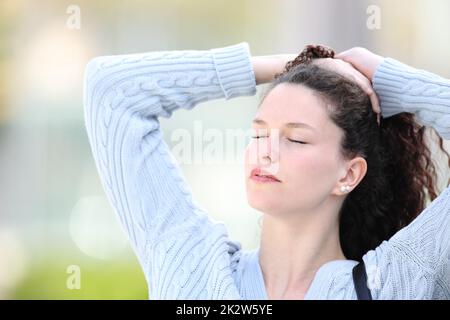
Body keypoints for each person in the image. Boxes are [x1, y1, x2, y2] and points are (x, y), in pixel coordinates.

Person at [83, 42, 450, 299]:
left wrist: (382, 78)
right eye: (259, 133)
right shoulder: (190, 267)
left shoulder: (395, 284)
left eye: (296, 139)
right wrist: (299, 65)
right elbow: (111, 90)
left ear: (348, 174)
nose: (266, 152)